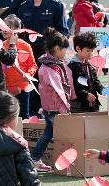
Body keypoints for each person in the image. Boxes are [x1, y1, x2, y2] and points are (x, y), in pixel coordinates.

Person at [30, 28, 76, 172]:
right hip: (55, 108)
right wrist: (65, 108)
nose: (65, 52)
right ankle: (68, 162)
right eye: (64, 49)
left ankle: (34, 159)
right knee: (63, 135)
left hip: (50, 107)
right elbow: (58, 92)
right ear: (56, 49)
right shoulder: (51, 68)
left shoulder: (51, 65)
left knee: (48, 134)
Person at [2, 14, 38, 119]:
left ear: (17, 29)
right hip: (7, 89)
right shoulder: (1, 45)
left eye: (8, 26)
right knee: (7, 119)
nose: (4, 29)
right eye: (3, 26)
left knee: (24, 117)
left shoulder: (25, 45)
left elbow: (33, 65)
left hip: (23, 89)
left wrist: (28, 74)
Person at [68, 32, 103, 113]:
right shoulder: (72, 66)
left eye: (91, 51)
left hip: (92, 104)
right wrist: (86, 95)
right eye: (87, 50)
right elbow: (73, 87)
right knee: (79, 125)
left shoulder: (89, 65)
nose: (90, 53)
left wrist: (103, 90)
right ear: (78, 49)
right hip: (79, 106)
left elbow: (95, 81)